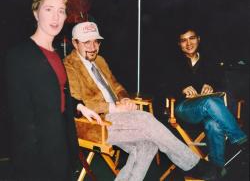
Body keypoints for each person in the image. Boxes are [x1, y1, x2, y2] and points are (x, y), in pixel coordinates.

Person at [64, 21, 224, 181]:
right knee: (146, 119)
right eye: (86, 42)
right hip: (94, 124)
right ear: (75, 43)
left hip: (118, 120)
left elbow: (117, 86)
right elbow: (78, 104)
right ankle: (194, 165)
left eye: (96, 41)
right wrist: (114, 108)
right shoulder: (69, 66)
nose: (93, 47)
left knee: (148, 144)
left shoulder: (100, 61)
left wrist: (124, 99)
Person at [4, 0, 101, 180]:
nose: (56, 17)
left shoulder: (55, 54)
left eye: (61, 11)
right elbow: (20, 120)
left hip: (61, 144)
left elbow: (56, 93)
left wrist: (80, 107)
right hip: (38, 157)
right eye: (49, 9)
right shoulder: (18, 56)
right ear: (35, 13)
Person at [169, 27, 248, 170]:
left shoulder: (210, 62)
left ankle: (217, 169)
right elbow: (161, 87)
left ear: (198, 39)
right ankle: (241, 140)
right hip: (184, 108)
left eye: (191, 38)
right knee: (210, 102)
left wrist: (211, 85)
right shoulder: (171, 63)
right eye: (183, 40)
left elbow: (222, 84)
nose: (188, 43)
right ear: (179, 44)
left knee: (214, 125)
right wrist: (181, 88)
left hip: (211, 112)